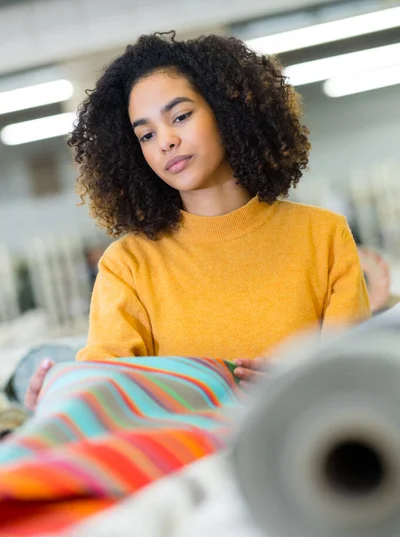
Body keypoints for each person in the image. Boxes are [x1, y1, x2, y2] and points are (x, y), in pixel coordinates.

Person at [25, 32, 370, 409]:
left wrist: (297, 383)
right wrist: (58, 397)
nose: (165, 141)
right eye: (146, 134)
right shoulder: (129, 266)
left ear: (227, 110)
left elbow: (355, 377)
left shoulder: (323, 237)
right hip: (184, 461)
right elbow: (105, 394)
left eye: (181, 116)